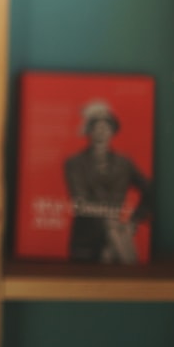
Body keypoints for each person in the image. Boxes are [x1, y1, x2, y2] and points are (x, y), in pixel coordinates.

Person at [64, 100, 152, 264]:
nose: (102, 131)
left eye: (107, 127)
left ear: (113, 131)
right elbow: (80, 202)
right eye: (97, 127)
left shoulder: (124, 163)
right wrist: (114, 220)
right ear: (89, 131)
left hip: (118, 231)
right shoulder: (74, 163)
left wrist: (134, 220)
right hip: (87, 237)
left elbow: (150, 190)